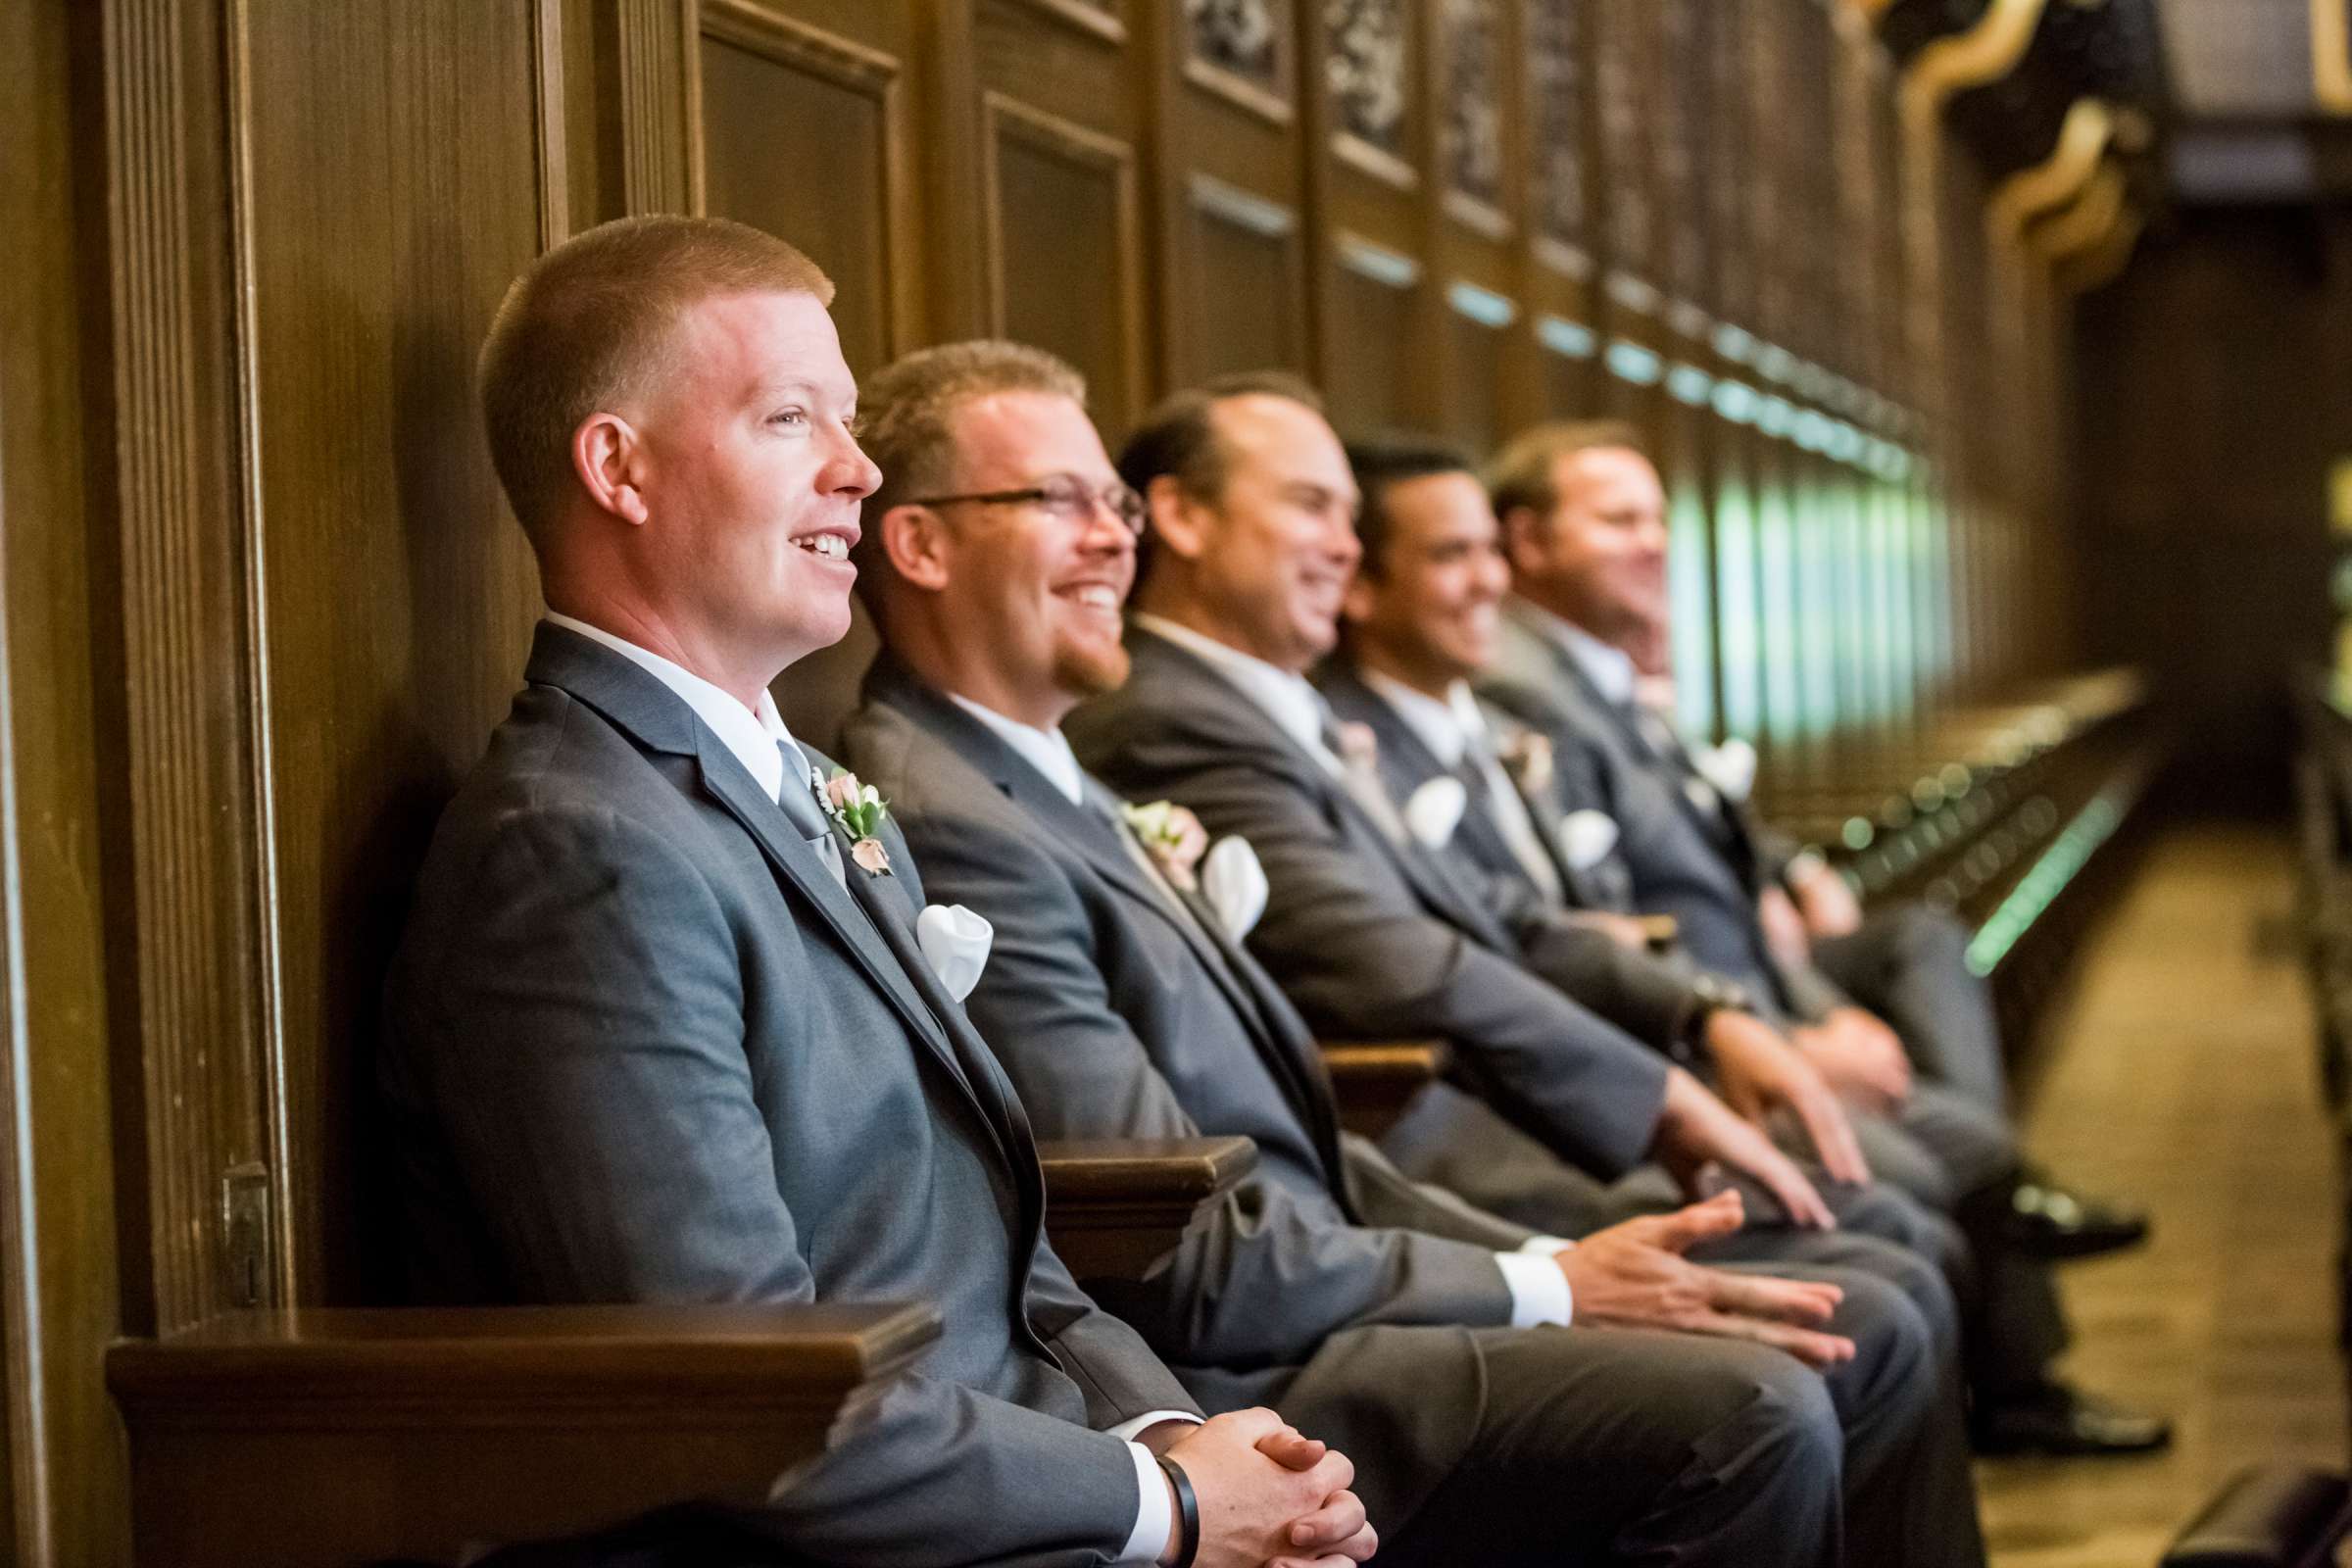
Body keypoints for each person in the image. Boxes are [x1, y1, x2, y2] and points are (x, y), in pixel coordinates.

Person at [836, 339, 1986, 1567]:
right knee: (1762, 1405)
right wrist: (1548, 1284)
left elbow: (1315, 1136)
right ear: (918, 544)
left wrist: (1549, 1261)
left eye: (1112, 504)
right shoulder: (956, 813)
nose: (1116, 540)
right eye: (1062, 503)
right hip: (1247, 1359)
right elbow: (1168, 1227)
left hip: (1330, 1262)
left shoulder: (1047, 780)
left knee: (1855, 1314)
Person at [379, 216, 1377, 1568]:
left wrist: (1175, 1441)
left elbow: (1010, 1263)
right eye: (792, 420)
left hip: (1030, 1485)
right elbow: (747, 1396)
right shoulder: (576, 847)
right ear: (618, 466)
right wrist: (1174, 1511)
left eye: (849, 425)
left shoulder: (822, 797)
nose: (857, 471)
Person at [1477, 418, 2167, 1457]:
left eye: (1659, 516)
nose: (1655, 540)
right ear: (1526, 542)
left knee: (1921, 940)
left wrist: (1789, 872)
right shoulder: (1524, 684)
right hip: (1689, 1003)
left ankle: (1981, 1172)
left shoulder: (1609, 660)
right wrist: (1770, 1026)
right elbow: (1582, 910)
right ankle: (1994, 1218)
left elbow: (1703, 816)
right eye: (1619, 519)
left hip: (1750, 960)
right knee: (1936, 1171)